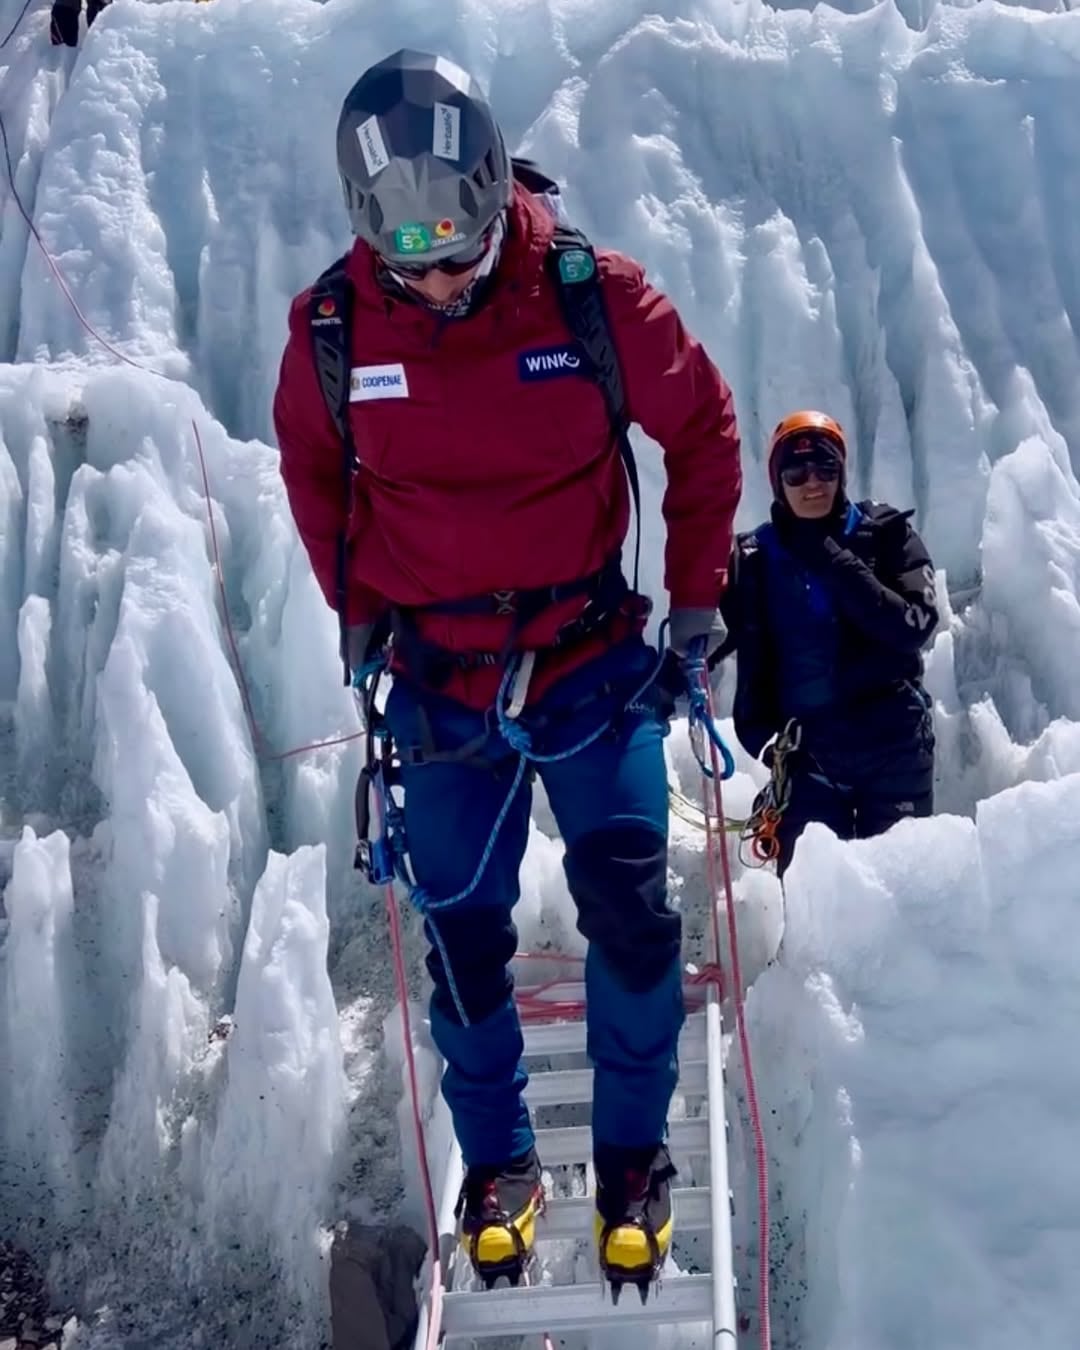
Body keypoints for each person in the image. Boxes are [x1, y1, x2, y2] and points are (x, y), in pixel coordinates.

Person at [272, 49, 742, 1295]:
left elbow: (702, 427)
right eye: (412, 264)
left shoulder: (593, 298)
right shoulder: (335, 329)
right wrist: (357, 607)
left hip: (589, 662)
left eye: (461, 254)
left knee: (632, 913)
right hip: (440, 683)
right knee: (461, 938)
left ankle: (633, 1159)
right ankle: (503, 1165)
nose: (438, 281)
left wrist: (696, 598)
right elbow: (312, 469)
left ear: (494, 200)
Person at [715, 410, 937, 876]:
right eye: (796, 472)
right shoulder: (752, 560)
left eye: (825, 468)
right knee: (811, 902)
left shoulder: (888, 536)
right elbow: (716, 633)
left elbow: (913, 626)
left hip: (894, 750)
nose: (812, 482)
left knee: (903, 892)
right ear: (778, 481)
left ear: (842, 473)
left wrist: (832, 558)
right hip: (808, 758)